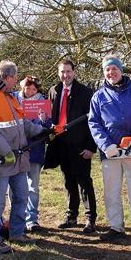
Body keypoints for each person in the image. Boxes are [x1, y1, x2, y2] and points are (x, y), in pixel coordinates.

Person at [0, 60, 45, 254]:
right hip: (2, 159)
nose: (16, 81)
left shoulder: (11, 97)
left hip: (18, 158)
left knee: (21, 196)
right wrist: (5, 151)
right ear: (7, 77)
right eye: (15, 77)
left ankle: (16, 232)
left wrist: (44, 131)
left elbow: (24, 125)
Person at [88, 54, 131, 248]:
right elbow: (94, 123)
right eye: (107, 70)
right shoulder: (98, 96)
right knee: (111, 192)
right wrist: (105, 145)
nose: (111, 72)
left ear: (121, 70)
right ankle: (116, 227)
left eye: (114, 68)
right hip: (111, 153)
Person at [44, 59, 97, 234]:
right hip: (61, 144)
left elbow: (94, 120)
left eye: (68, 71)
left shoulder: (86, 92)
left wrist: (91, 146)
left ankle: (90, 219)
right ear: (58, 73)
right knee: (68, 182)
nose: (65, 75)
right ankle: (71, 216)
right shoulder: (53, 91)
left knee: (84, 182)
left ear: (74, 72)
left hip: (81, 146)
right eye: (62, 72)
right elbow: (50, 116)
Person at [12, 76, 51, 232]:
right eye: (28, 88)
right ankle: (16, 218)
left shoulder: (42, 102)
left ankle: (32, 219)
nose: (30, 92)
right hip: (16, 148)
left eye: (34, 89)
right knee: (15, 186)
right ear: (23, 87)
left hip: (35, 149)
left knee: (33, 186)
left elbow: (48, 127)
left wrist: (44, 120)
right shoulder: (13, 99)